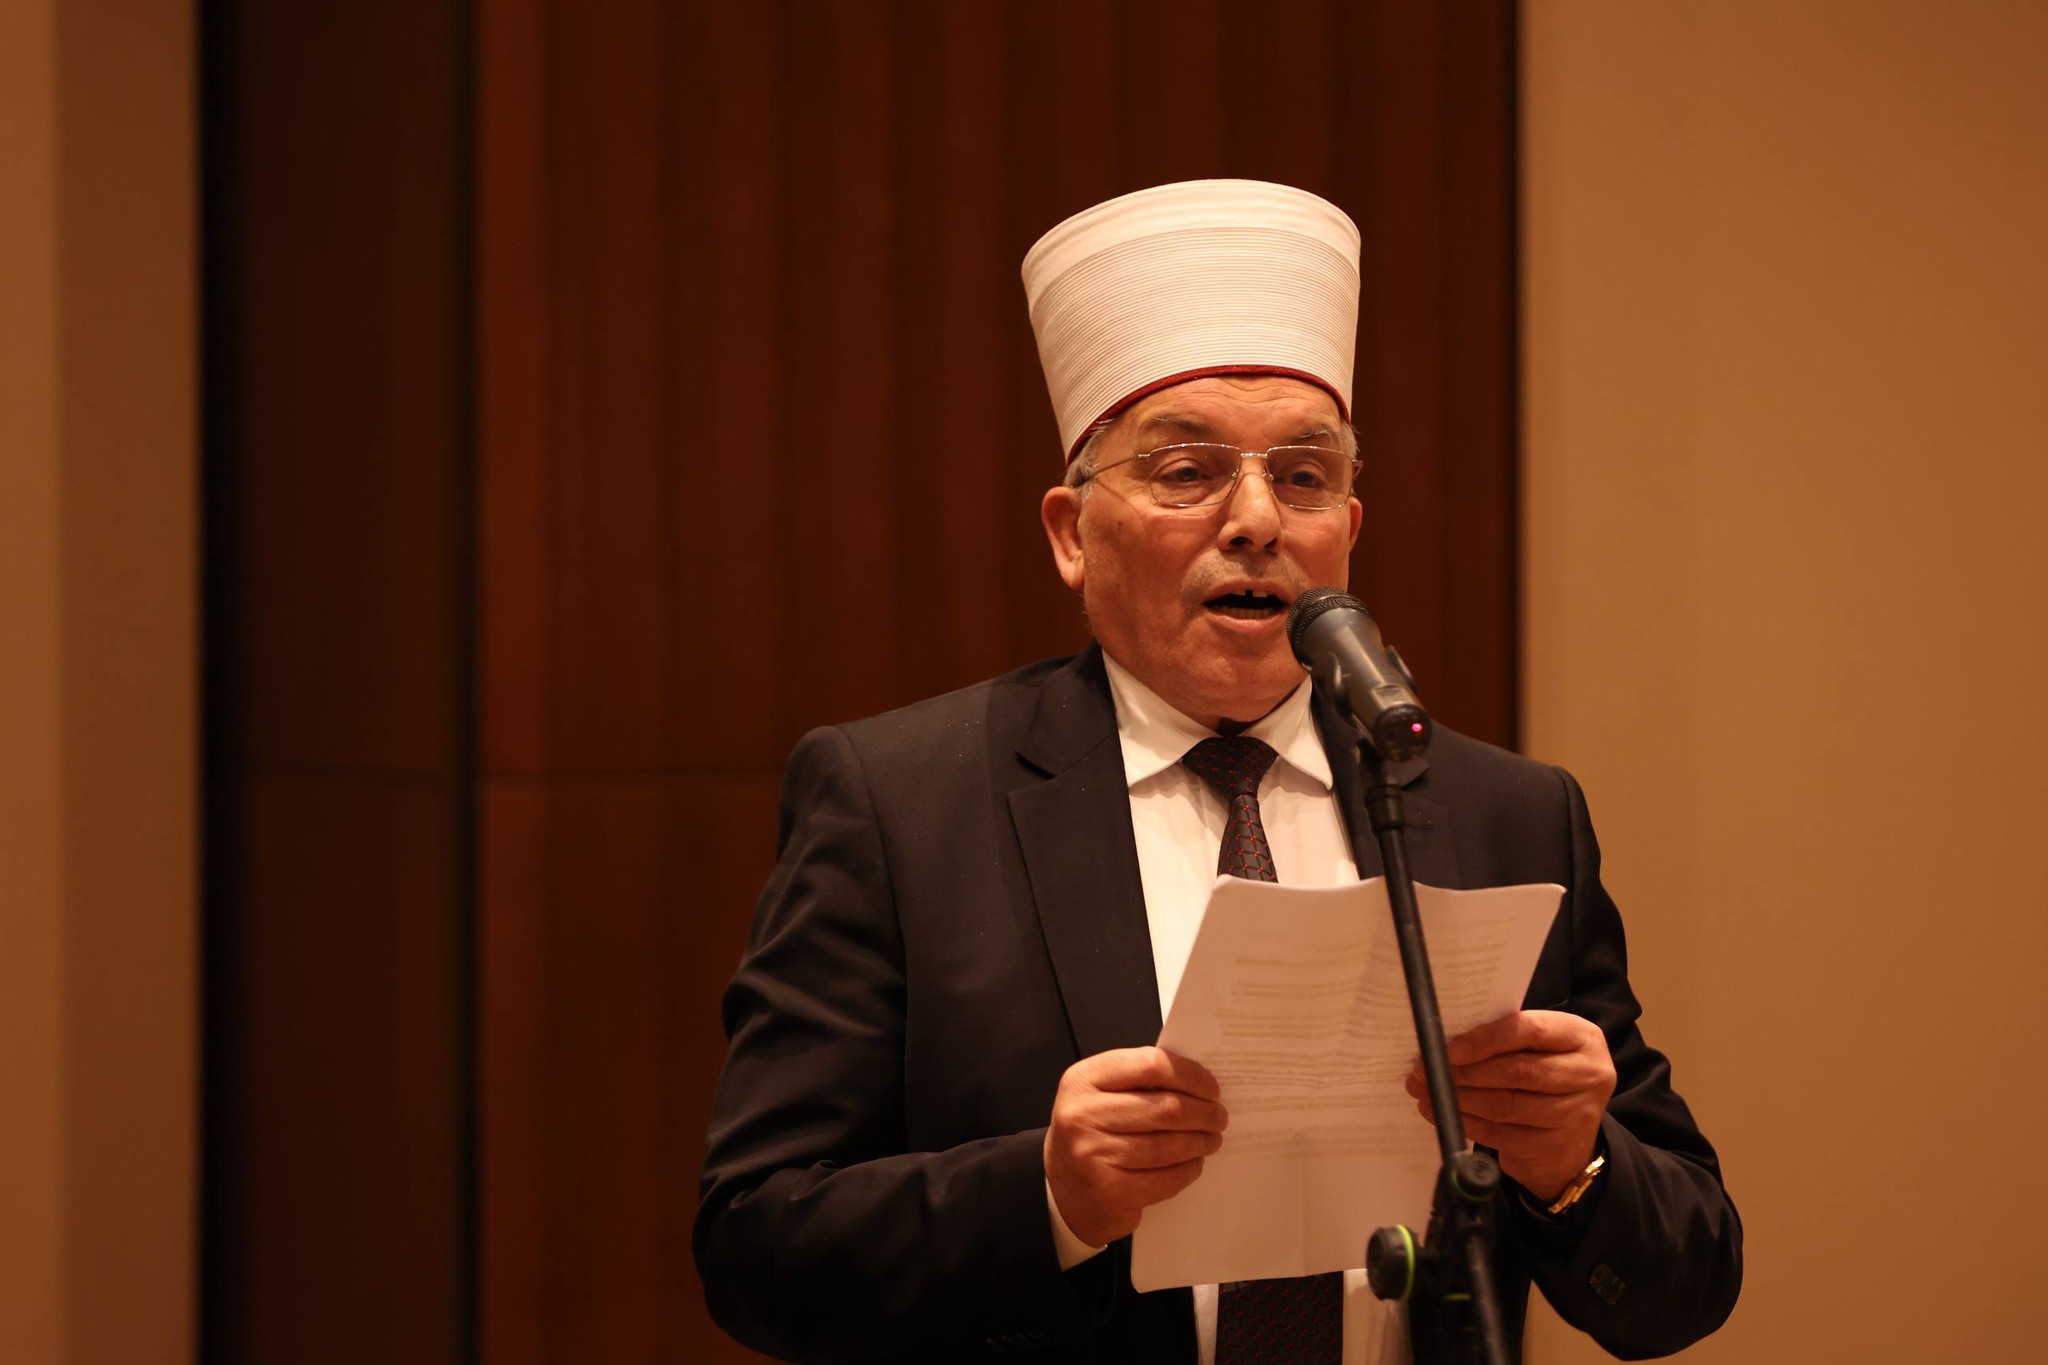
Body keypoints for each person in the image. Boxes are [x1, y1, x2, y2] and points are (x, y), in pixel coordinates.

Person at [695, 180, 1741, 1364]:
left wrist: (1571, 1166)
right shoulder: (902, 805)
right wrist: (1044, 1198)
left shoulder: (1501, 813)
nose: (1255, 522)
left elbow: (1684, 1284)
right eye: (1185, 472)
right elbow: (753, 1248)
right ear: (1069, 533)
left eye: (1302, 478)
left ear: (1347, 529)